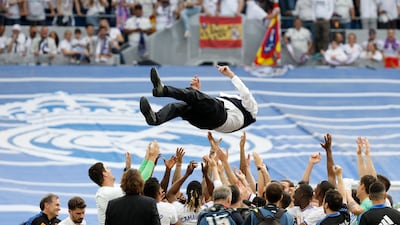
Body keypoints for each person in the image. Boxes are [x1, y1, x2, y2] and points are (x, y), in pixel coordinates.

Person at [140, 65, 258, 133]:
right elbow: (205, 105)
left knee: (195, 98)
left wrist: (231, 75)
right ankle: (155, 118)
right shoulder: (231, 102)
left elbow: (246, 93)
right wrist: (196, 92)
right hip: (206, 123)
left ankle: (163, 90)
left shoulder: (251, 110)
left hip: (221, 117)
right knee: (179, 107)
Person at [88, 144, 159, 225]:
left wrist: (147, 158)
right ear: (104, 174)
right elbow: (137, 181)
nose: (110, 170)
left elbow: (135, 179)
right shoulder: (104, 193)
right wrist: (152, 159)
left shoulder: (112, 189)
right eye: (107, 168)